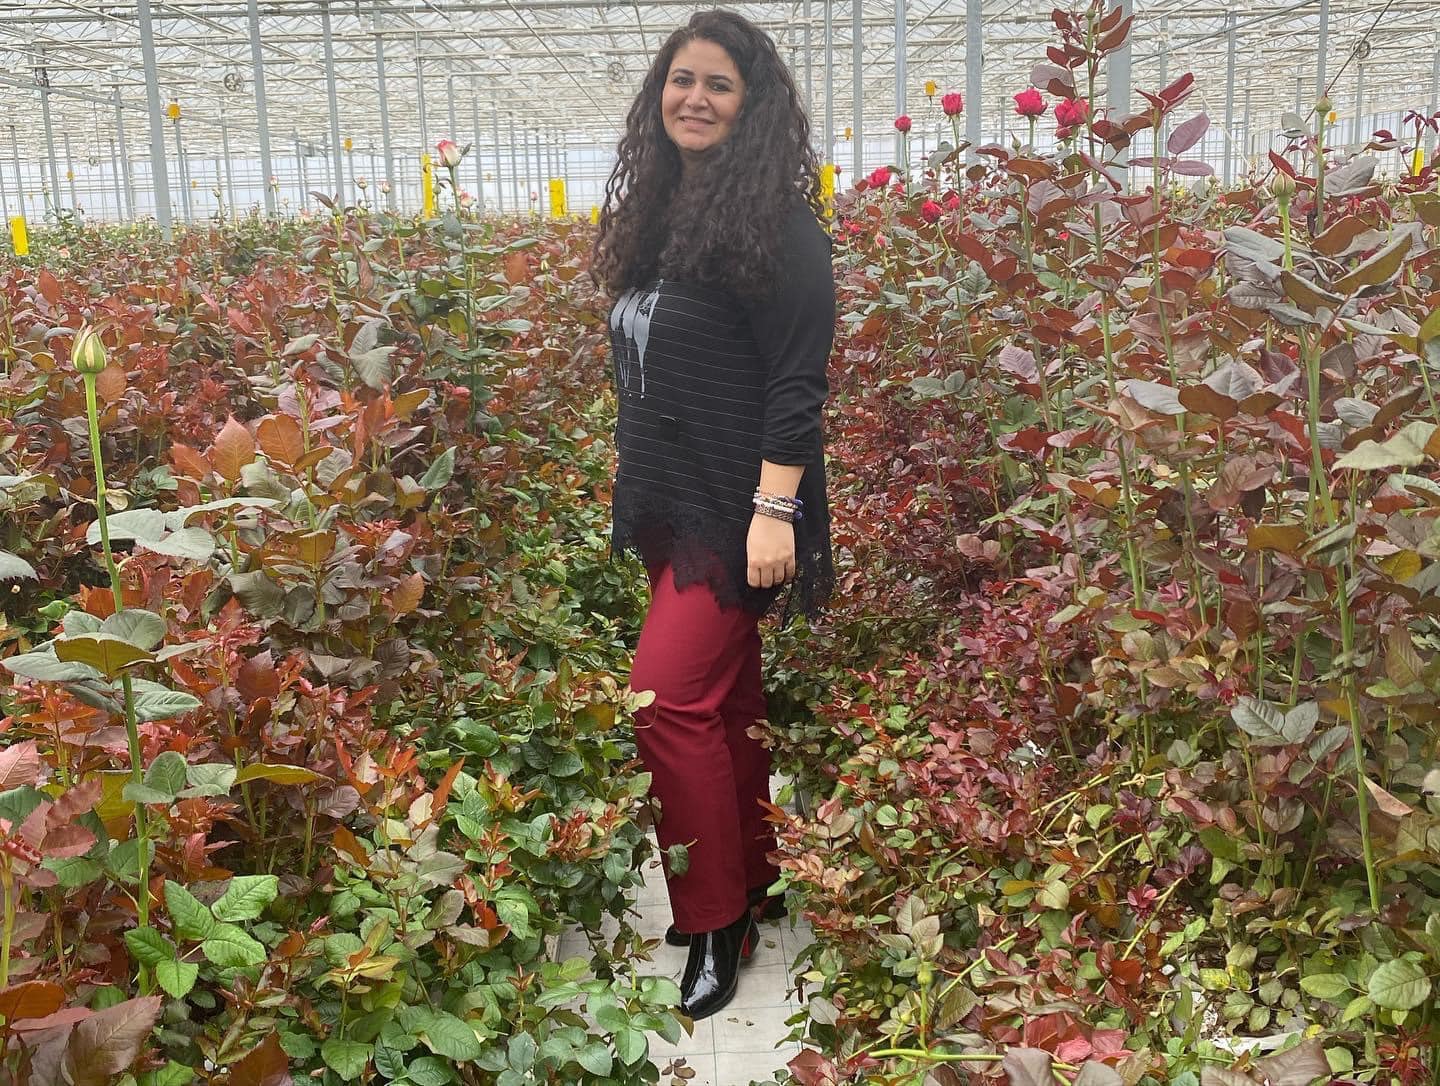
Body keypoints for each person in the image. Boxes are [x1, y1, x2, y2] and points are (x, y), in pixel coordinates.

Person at [590, 8, 836, 1021]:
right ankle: (758, 879)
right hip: (672, 499)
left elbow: (797, 384)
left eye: (719, 84)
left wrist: (774, 512)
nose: (694, 98)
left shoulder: (780, 226)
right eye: (681, 79)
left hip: (741, 513)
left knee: (665, 701)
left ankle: (712, 918)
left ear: (752, 103)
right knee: (726, 708)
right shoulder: (660, 216)